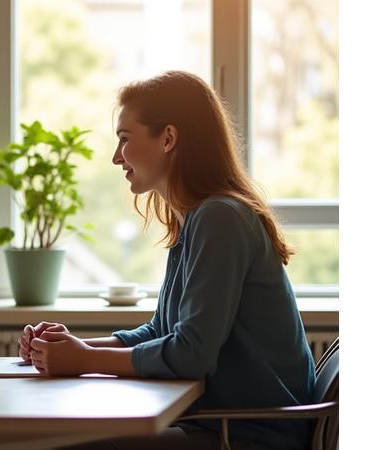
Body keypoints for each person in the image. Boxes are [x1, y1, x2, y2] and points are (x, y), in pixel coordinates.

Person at [18, 71, 316, 450]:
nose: (115, 157)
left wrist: (83, 360)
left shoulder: (219, 219)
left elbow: (191, 354)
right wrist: (71, 347)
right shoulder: (196, 218)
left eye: (124, 139)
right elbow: (163, 330)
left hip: (245, 435)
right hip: (219, 425)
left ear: (169, 139)